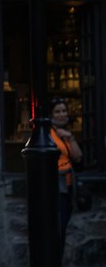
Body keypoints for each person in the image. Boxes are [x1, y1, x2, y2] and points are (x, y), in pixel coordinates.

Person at [50, 97, 83, 245]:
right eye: (57, 112)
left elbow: (77, 157)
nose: (61, 114)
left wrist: (71, 138)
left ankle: (59, 264)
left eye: (64, 111)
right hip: (55, 185)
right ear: (51, 115)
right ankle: (55, 264)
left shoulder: (66, 133)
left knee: (64, 224)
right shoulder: (48, 133)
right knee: (58, 225)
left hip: (68, 183)